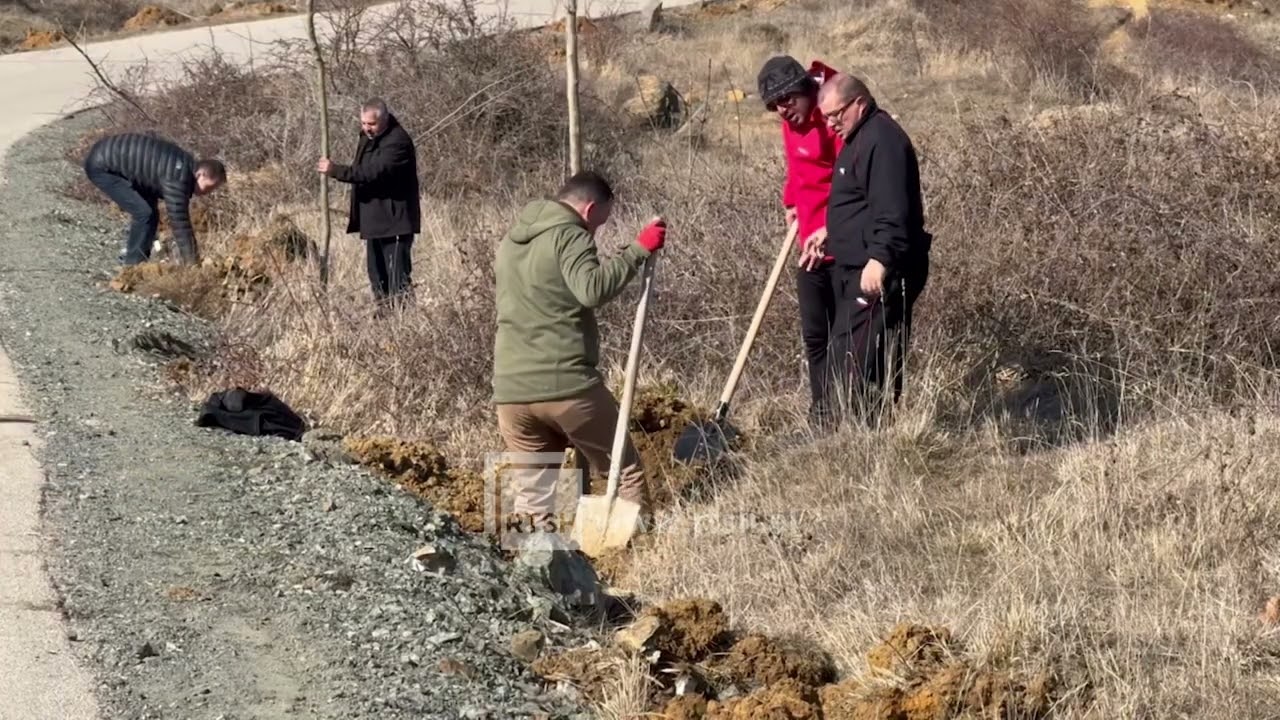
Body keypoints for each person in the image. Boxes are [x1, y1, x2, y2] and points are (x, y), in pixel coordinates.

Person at [491, 170, 667, 535]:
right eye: (598, 225)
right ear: (589, 210)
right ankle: (634, 557)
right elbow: (590, 289)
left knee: (532, 499)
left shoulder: (511, 240)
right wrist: (637, 250)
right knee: (625, 471)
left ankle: (532, 576)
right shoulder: (570, 235)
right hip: (567, 386)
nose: (595, 233)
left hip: (511, 391)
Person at [814, 73, 932, 426]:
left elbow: (893, 210)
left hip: (881, 271)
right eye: (826, 118)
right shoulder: (858, 139)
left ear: (859, 103)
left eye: (836, 114)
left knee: (854, 362)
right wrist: (830, 233)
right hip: (858, 265)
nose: (831, 124)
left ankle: (855, 441)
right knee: (855, 355)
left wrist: (880, 259)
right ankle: (860, 434)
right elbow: (862, 205)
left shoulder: (882, 141)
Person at [756, 54, 844, 431]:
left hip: (842, 244)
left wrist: (829, 227)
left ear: (806, 87)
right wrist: (791, 201)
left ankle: (851, 415)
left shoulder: (833, 118)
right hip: (808, 244)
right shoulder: (790, 123)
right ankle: (821, 415)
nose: (782, 110)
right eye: (774, 105)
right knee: (815, 335)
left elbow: (850, 182)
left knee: (844, 337)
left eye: (787, 99)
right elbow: (796, 167)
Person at [318, 98, 420, 306]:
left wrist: (335, 170)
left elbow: (372, 172)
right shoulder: (367, 138)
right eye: (363, 123)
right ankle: (384, 320)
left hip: (395, 223)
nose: (366, 128)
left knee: (397, 281)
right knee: (377, 279)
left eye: (371, 124)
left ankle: (404, 325)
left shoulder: (398, 142)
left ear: (384, 119)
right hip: (375, 222)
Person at [82, 132, 225, 266]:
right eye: (210, 186)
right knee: (144, 213)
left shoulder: (185, 165)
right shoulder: (178, 178)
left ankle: (139, 261)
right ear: (201, 175)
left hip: (112, 158)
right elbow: (180, 224)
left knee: (150, 212)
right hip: (103, 167)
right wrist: (193, 262)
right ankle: (132, 267)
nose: (209, 192)